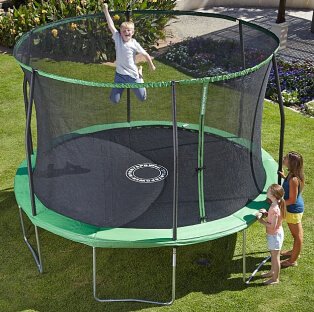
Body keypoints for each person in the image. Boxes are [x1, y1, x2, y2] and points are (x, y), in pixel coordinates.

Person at [103, 2, 156, 104]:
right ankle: (136, 74)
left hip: (133, 76)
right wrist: (106, 10)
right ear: (120, 32)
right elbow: (111, 25)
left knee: (142, 98)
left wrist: (151, 65)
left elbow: (145, 54)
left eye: (129, 30)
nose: (126, 32)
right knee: (114, 100)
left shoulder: (134, 43)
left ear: (133, 32)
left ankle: (140, 74)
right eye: (124, 31)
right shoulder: (117, 38)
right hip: (120, 76)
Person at [279, 151, 305, 268]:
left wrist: (278, 203)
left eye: (286, 158)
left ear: (292, 163)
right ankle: (294, 252)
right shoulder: (291, 175)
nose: (283, 158)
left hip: (293, 210)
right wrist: (284, 176)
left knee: (297, 236)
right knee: (296, 235)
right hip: (293, 209)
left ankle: (292, 260)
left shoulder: (293, 179)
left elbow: (292, 200)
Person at [256, 184, 286, 285]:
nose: (267, 192)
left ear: (273, 195)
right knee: (273, 256)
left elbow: (272, 226)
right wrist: (266, 213)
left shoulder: (275, 209)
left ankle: (275, 279)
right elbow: (274, 219)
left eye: (268, 191)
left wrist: (261, 220)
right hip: (275, 235)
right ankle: (272, 272)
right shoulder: (275, 205)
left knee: (275, 257)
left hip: (275, 236)